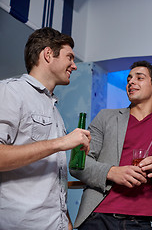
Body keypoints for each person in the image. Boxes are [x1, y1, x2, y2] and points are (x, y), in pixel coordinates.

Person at [70, 61, 152, 230]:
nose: (131, 82)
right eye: (129, 79)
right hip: (97, 216)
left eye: (139, 78)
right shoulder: (105, 118)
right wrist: (111, 172)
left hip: (142, 221)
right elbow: (77, 164)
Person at [0, 27, 91, 230]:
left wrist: (65, 220)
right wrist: (61, 143)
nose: (74, 66)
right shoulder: (10, 92)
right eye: (70, 57)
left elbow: (53, 174)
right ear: (48, 54)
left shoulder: (53, 110)